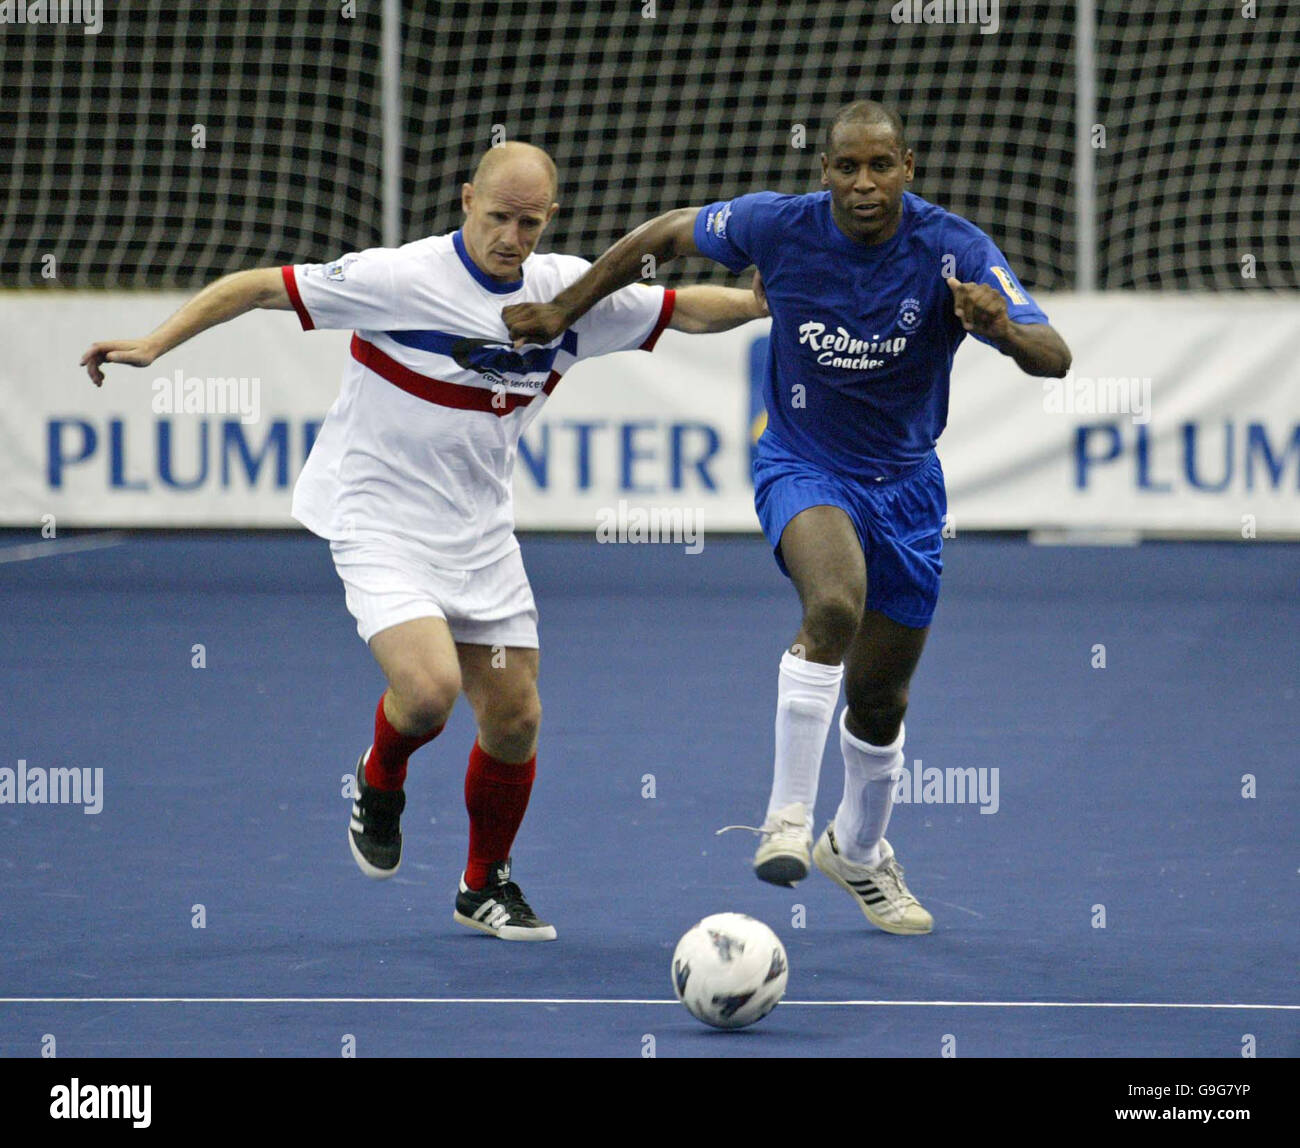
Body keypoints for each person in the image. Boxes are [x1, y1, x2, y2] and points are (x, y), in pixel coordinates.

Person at [80, 141, 766, 941]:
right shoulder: (400, 278)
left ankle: (484, 883)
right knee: (431, 691)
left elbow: (678, 308)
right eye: (498, 216)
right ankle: (380, 777)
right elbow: (259, 286)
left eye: (530, 223)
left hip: (479, 532)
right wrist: (154, 345)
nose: (511, 237)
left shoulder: (565, 292)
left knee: (515, 719)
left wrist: (756, 306)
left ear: (551, 218)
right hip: (377, 517)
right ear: (467, 199)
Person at [503, 103, 1072, 935]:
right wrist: (565, 309)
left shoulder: (955, 250)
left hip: (909, 487)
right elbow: (666, 233)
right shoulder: (777, 226)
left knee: (880, 701)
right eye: (848, 167)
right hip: (802, 464)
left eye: (881, 166)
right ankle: (786, 821)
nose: (864, 184)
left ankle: (860, 852)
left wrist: (1003, 331)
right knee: (834, 604)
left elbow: (1056, 357)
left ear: (908, 167)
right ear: (824, 171)